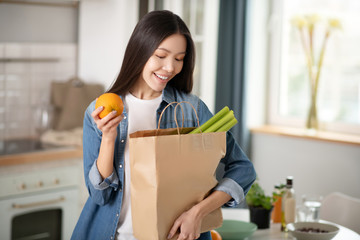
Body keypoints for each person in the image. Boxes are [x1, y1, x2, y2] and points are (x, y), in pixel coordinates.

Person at [71, 10, 256, 240]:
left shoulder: (192, 109)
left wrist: (198, 212)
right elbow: (101, 197)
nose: (170, 67)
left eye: (179, 59)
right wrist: (109, 137)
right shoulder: (98, 112)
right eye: (161, 55)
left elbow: (244, 169)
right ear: (140, 51)